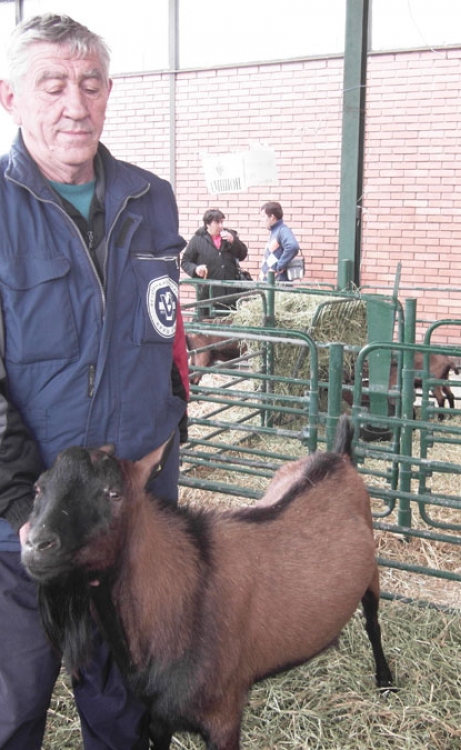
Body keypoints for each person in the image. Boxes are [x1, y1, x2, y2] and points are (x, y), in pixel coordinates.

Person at [0, 13, 189, 750]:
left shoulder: (152, 199)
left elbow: (167, 333)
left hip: (131, 526)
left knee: (129, 714)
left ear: (109, 91)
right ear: (11, 97)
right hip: (26, 530)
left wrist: (171, 430)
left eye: (90, 83)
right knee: (11, 708)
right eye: (53, 85)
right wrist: (22, 506)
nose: (75, 105)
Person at [181, 208, 248, 317]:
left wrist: (234, 241)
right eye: (217, 222)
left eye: (222, 222)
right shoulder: (197, 239)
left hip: (230, 292)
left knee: (230, 321)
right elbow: (185, 261)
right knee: (207, 322)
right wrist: (196, 269)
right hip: (208, 293)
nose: (221, 226)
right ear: (208, 224)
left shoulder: (229, 236)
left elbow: (242, 255)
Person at [260, 200, 300, 282]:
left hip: (278, 282)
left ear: (271, 217)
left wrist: (279, 266)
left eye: (263, 216)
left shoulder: (282, 230)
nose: (262, 220)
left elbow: (293, 246)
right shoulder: (275, 231)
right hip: (271, 282)